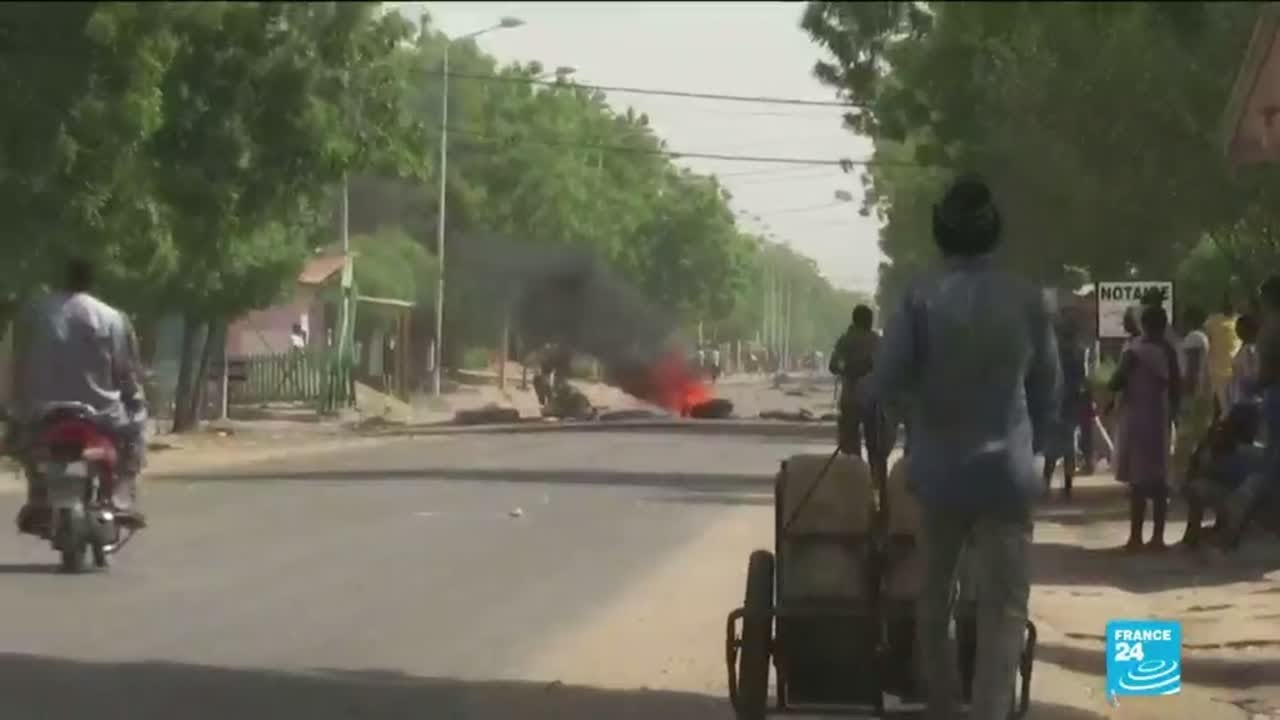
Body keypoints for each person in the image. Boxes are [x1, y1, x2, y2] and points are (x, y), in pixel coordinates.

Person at [856, 174, 1060, 720]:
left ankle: (943, 705)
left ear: (941, 234)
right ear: (994, 233)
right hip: (1008, 475)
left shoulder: (921, 296)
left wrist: (874, 399)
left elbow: (887, 377)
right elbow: (1049, 387)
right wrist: (1040, 452)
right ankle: (990, 710)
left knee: (934, 597)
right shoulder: (1027, 299)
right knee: (1005, 606)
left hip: (941, 475)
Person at [10, 258, 148, 532]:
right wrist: (135, 401)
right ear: (91, 282)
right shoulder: (111, 317)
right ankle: (121, 496)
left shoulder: (31, 315)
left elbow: (15, 362)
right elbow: (126, 371)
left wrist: (13, 406)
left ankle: (37, 491)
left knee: (22, 442)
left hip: (41, 412)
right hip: (101, 414)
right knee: (136, 433)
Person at [1109, 305, 1181, 552]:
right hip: (1160, 417)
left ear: (1144, 325)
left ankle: (1135, 538)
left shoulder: (1135, 351)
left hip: (1138, 418)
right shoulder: (1169, 351)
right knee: (1160, 480)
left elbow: (1116, 381)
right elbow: (1177, 386)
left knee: (1138, 481)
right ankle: (1158, 538)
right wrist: (1174, 415)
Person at [829, 304, 881, 471]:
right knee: (876, 449)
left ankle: (855, 477)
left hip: (851, 398)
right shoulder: (877, 342)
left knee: (850, 449)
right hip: (874, 401)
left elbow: (833, 365)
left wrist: (849, 369)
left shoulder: (845, 340)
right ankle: (877, 481)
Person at [1045, 316, 1086, 499]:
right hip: (1071, 403)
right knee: (1069, 445)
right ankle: (1068, 484)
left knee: (1051, 446)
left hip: (1054, 402)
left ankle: (1046, 482)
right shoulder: (1078, 352)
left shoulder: (1052, 352)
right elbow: (1082, 380)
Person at [1175, 306, 1214, 491]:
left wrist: (1187, 394)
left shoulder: (1194, 338)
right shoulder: (1201, 337)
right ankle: (1193, 478)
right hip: (1201, 394)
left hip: (1193, 395)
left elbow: (1192, 369)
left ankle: (1182, 480)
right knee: (1197, 437)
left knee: (1186, 439)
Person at [1206, 294, 1242, 419]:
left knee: (1234, 408)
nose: (1230, 306)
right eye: (1228, 303)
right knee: (1223, 408)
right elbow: (1207, 342)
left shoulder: (1239, 320)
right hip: (1217, 372)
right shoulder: (1212, 321)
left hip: (1237, 372)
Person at [1228, 313, 1261, 409]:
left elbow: (1251, 375)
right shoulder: (1245, 349)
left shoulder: (1249, 350)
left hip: (1247, 403)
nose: (1237, 330)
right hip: (1242, 402)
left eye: (1239, 328)